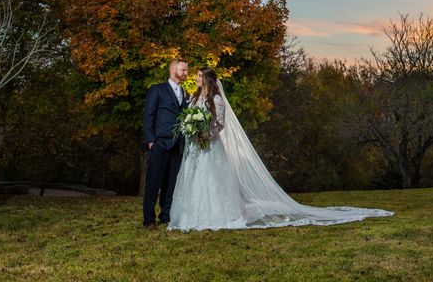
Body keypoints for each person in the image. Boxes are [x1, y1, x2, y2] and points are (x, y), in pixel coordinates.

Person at [168, 67, 394, 232]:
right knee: (194, 179)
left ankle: (215, 216)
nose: (195, 78)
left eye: (198, 76)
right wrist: (192, 131)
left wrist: (205, 134)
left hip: (211, 146)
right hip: (196, 149)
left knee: (212, 182)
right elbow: (190, 119)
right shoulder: (195, 97)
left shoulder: (216, 99)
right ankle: (192, 216)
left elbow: (220, 124)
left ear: (207, 79)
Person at [142, 59, 189, 229]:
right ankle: (148, 220)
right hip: (160, 143)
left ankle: (165, 216)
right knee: (153, 183)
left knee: (171, 185)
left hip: (178, 145)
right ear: (172, 69)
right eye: (183, 70)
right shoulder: (157, 90)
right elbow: (149, 115)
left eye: (186, 70)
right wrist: (151, 141)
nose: (186, 73)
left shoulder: (185, 93)